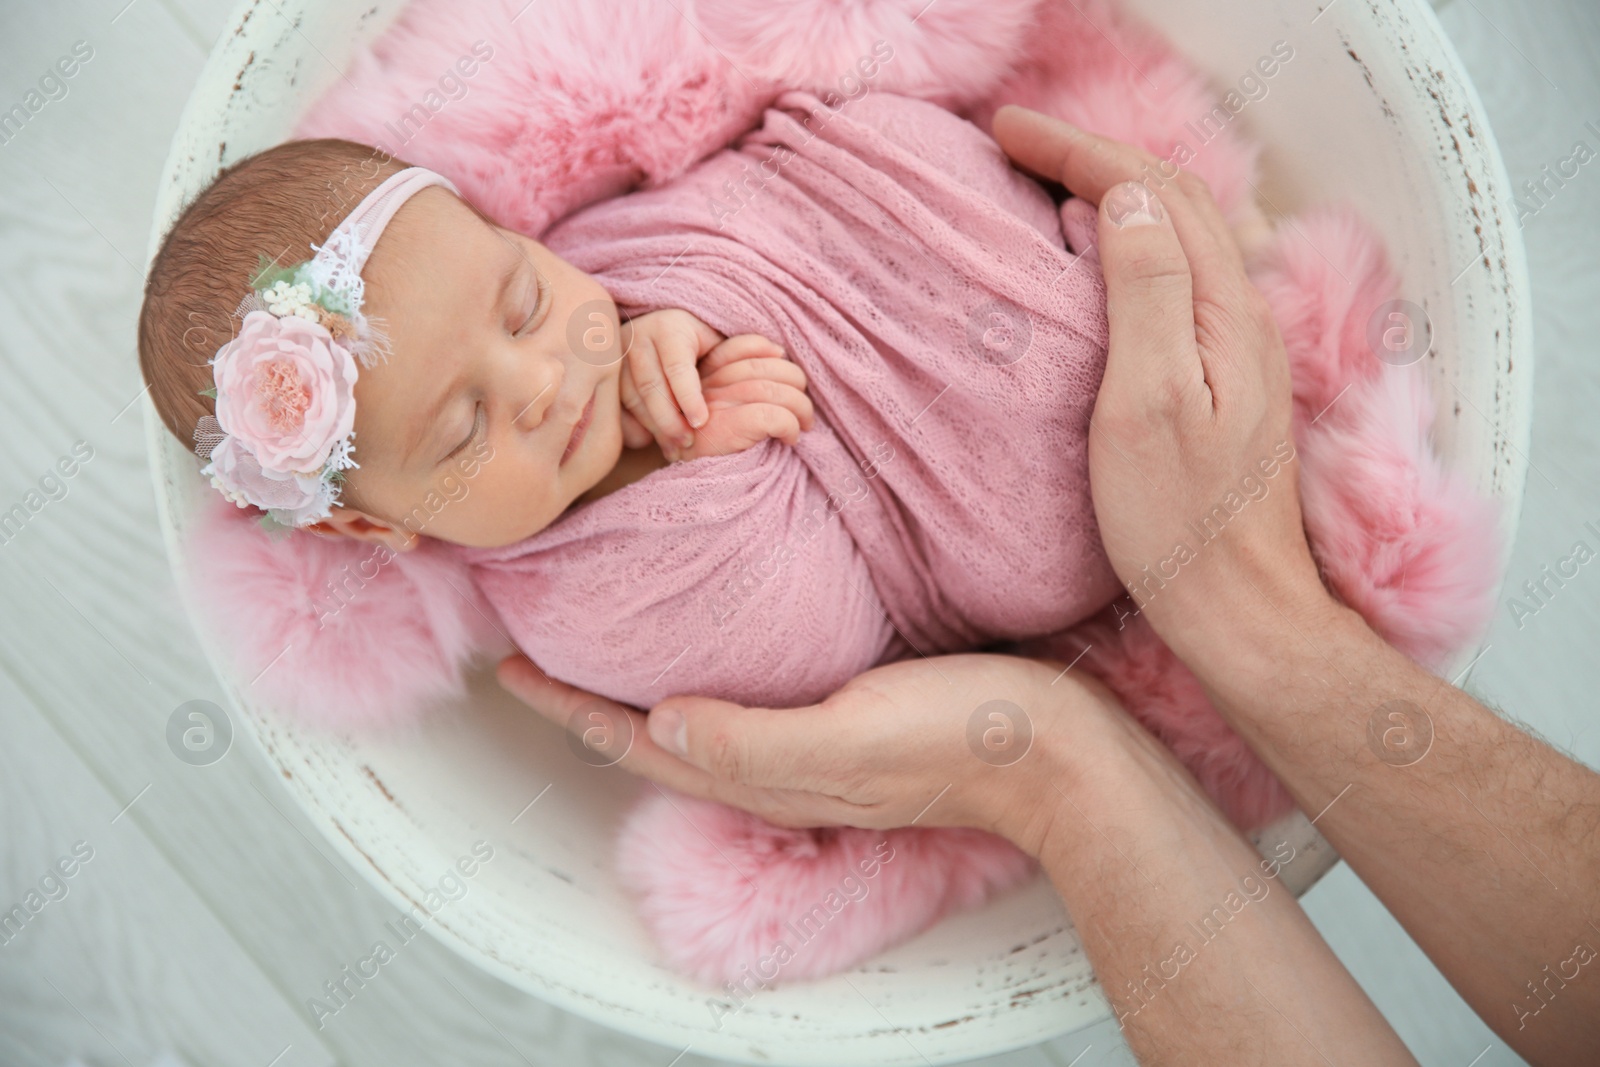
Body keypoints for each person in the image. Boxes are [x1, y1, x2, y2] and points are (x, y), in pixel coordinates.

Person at [497, 105, 1600, 1065]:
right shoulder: (566, 603)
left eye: (517, 303)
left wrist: (671, 324)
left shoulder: (627, 269)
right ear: (377, 527)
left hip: (921, 266)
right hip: (959, 555)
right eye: (458, 424)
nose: (536, 385)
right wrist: (691, 461)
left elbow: (665, 242)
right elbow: (795, 621)